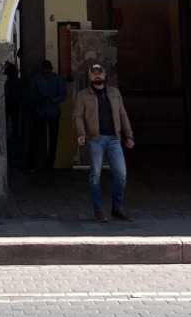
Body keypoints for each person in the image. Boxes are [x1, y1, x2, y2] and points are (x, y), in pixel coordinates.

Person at [74, 62, 134, 223]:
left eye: (100, 73)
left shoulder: (114, 93)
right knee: (96, 175)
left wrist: (129, 135)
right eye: (94, 73)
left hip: (114, 138)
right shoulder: (83, 95)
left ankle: (117, 207)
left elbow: (122, 114)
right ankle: (99, 209)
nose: (97, 75)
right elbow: (78, 116)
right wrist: (81, 133)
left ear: (105, 75)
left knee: (121, 174)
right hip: (95, 139)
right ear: (89, 76)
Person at [28, 60, 66, 171]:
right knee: (43, 138)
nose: (46, 72)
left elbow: (63, 95)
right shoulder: (40, 79)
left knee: (48, 138)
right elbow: (32, 94)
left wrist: (51, 100)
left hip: (47, 111)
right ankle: (44, 162)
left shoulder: (41, 79)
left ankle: (47, 162)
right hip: (45, 111)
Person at [3, 62, 23, 168]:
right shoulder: (16, 82)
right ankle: (14, 136)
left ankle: (8, 135)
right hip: (14, 103)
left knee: (7, 121)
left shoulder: (7, 82)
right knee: (14, 122)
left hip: (9, 103)